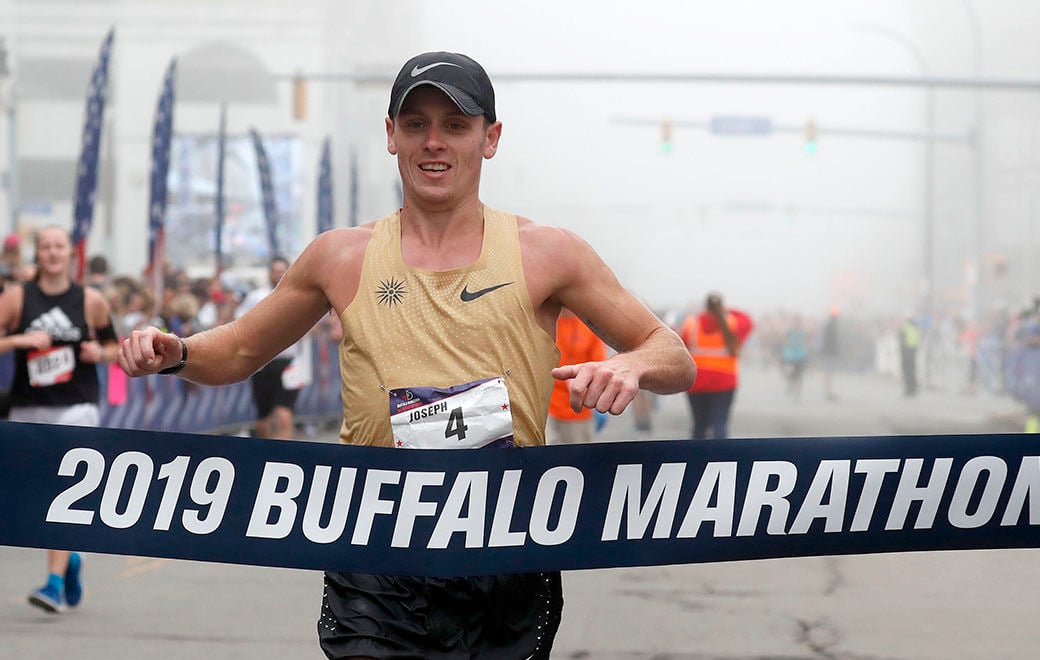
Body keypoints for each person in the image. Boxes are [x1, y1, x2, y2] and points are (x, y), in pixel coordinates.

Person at [119, 50, 695, 659]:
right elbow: (237, 350)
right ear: (391, 135)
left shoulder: (547, 252)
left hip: (502, 541)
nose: (433, 142)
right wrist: (177, 350)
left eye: (455, 124)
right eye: (415, 123)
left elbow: (673, 355)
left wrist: (630, 364)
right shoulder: (340, 256)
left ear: (490, 138)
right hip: (377, 544)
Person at [0, 226, 120, 613]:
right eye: (46, 247)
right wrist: (18, 341)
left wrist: (97, 354)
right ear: (38, 254)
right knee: (33, 497)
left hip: (77, 405)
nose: (52, 253)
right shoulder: (18, 298)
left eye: (59, 247)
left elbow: (114, 346)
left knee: (62, 493)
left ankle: (52, 583)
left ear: (72, 255)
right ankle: (71, 559)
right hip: (29, 406)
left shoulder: (90, 300)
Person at [235, 256, 304, 440]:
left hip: (290, 362)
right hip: (263, 363)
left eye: (283, 271)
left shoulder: (300, 296)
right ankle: (264, 455)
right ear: (269, 273)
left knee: (284, 413)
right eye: (275, 271)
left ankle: (285, 457)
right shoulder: (257, 296)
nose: (279, 275)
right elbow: (240, 322)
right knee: (263, 419)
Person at [681, 292, 753, 439]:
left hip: (697, 381)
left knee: (699, 425)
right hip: (724, 382)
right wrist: (728, 310)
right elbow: (748, 321)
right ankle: (721, 458)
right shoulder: (732, 323)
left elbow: (682, 346)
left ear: (705, 306)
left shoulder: (691, 323)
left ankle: (696, 458)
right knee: (720, 424)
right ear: (721, 306)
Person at [547, 308, 607, 444]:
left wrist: (599, 400)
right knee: (540, 457)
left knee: (577, 459)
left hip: (578, 408)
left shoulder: (589, 327)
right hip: (546, 407)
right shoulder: (543, 321)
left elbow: (599, 366)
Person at [899, 314, 921, 397]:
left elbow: (901, 339)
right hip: (913, 350)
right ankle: (913, 387)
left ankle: (909, 388)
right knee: (912, 369)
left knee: (907, 370)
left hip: (906, 351)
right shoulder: (916, 327)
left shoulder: (905, 326)